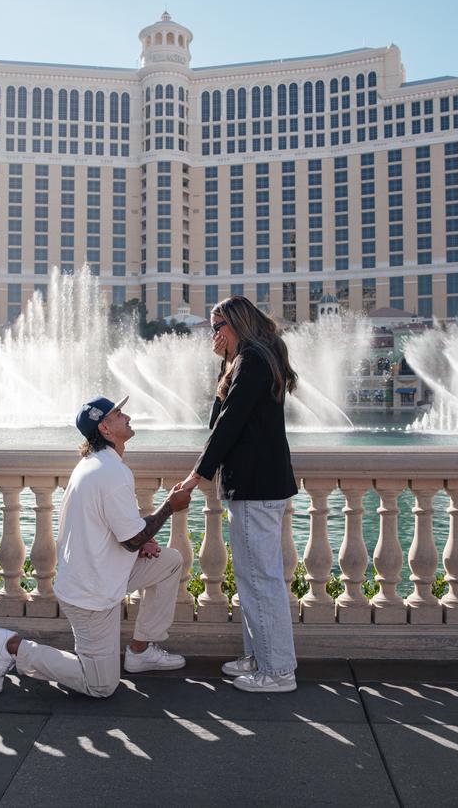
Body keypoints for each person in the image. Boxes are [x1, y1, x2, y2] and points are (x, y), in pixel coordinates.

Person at [0, 395, 191, 698]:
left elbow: (123, 528)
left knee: (169, 561)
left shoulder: (97, 464)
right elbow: (131, 540)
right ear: (105, 428)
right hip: (91, 594)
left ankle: (141, 650)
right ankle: (12, 646)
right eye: (119, 413)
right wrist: (170, 507)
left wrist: (143, 536)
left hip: (104, 573)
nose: (127, 416)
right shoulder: (111, 472)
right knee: (101, 686)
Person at [180, 296, 299, 693]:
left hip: (255, 486)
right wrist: (223, 363)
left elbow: (227, 427)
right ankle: (259, 657)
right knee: (252, 578)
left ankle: (278, 671)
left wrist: (197, 475)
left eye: (218, 327)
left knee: (261, 579)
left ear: (237, 324)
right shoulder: (249, 359)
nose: (213, 335)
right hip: (259, 485)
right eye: (212, 328)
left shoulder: (253, 360)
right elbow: (220, 416)